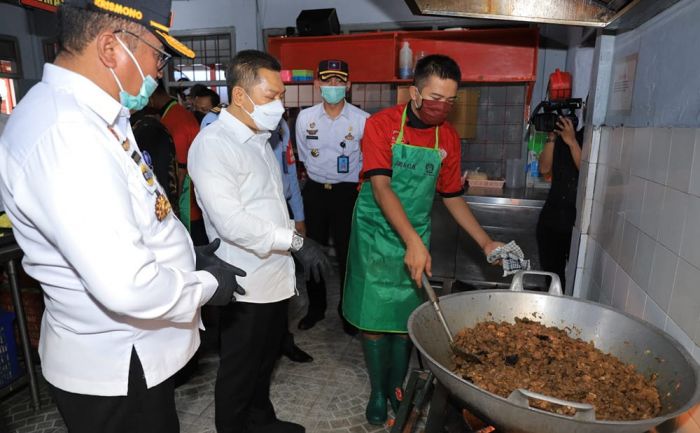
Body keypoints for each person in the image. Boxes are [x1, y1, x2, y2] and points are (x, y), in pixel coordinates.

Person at [0, 1, 247, 432]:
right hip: (113, 367)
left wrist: (187, 256)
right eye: (157, 54)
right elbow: (126, 286)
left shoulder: (96, 115)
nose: (159, 71)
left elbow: (134, 214)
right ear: (111, 47)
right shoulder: (67, 133)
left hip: (131, 355)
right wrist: (205, 285)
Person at [342, 54, 503, 425]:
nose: (442, 107)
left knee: (403, 320)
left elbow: (451, 196)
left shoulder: (446, 137)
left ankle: (397, 388)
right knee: (372, 319)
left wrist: (485, 242)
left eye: (450, 100)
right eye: (434, 98)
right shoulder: (382, 126)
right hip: (375, 231)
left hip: (415, 231)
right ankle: (377, 391)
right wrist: (412, 241)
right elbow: (380, 187)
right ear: (414, 93)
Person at [188, 49, 331, 433]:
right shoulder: (214, 144)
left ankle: (262, 421)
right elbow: (232, 222)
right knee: (240, 369)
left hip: (274, 275)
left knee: (265, 358)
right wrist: (297, 242)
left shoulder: (260, 138)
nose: (280, 106)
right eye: (271, 96)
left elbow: (273, 202)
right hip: (243, 280)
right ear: (240, 95)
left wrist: (290, 243)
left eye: (281, 96)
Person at [294, 59, 369, 334]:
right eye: (327, 81)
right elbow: (303, 157)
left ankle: (347, 312)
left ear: (348, 85)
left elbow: (367, 160)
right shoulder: (305, 118)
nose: (333, 86)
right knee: (312, 251)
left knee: (349, 254)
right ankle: (316, 307)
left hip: (347, 194)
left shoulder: (362, 120)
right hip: (314, 191)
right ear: (317, 84)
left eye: (339, 81)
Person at [269, 117, 313, 363]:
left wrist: (299, 216)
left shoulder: (281, 125)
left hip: (282, 210)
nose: (278, 104)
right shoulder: (216, 123)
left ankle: (283, 340)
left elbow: (290, 173)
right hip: (254, 216)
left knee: (284, 277)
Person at [148, 80, 208, 245]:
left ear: (152, 95)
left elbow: (180, 172)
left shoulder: (176, 120)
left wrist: (174, 213)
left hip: (188, 206)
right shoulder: (178, 114)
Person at [537, 115, 584, 289]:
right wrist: (551, 138)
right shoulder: (557, 140)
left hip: (575, 221)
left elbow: (588, 171)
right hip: (552, 219)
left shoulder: (590, 137)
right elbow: (544, 168)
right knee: (552, 277)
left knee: (576, 277)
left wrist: (572, 142)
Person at [130, 108, 180, 213]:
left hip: (159, 207)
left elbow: (161, 172)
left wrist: (166, 206)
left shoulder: (147, 130)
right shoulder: (143, 126)